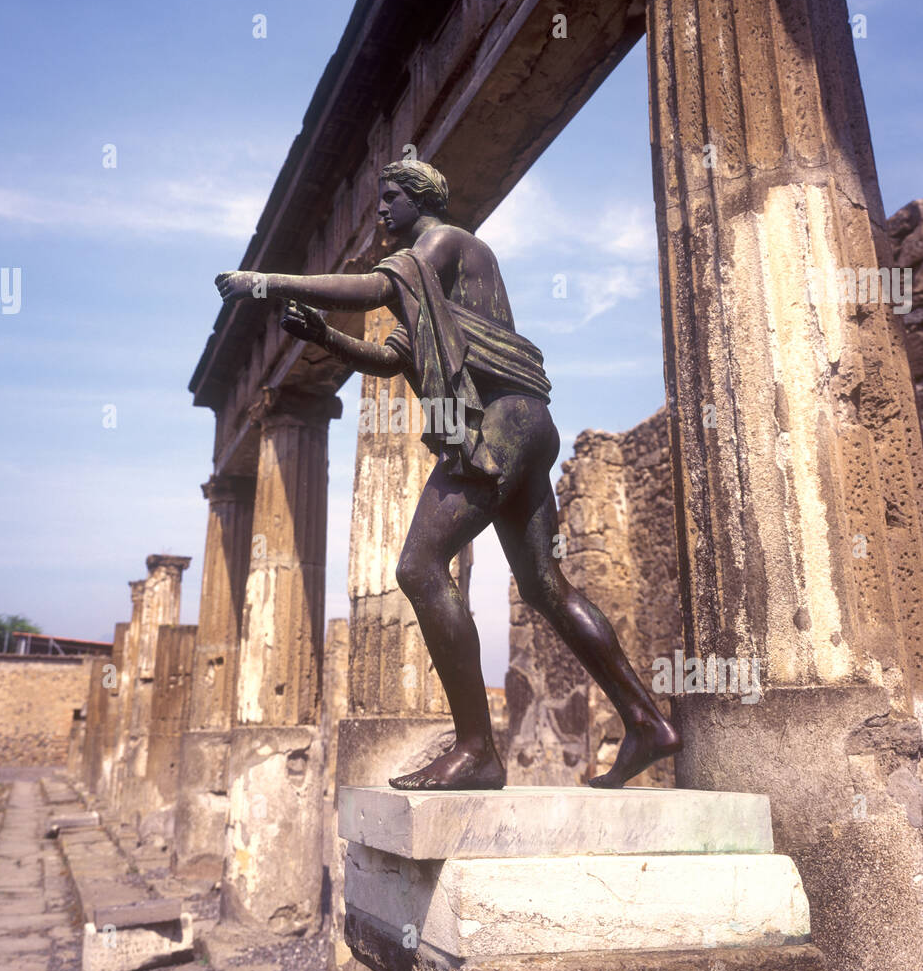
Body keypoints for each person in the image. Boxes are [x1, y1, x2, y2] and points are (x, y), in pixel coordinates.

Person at [216, 160, 681, 790]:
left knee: (417, 568)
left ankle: (475, 749)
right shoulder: (433, 288)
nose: (380, 211)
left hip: (499, 424)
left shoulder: (442, 243)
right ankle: (647, 721)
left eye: (389, 198)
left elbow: (377, 290)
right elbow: (390, 359)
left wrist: (268, 283)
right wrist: (325, 336)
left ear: (419, 198)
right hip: (525, 424)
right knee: (547, 587)